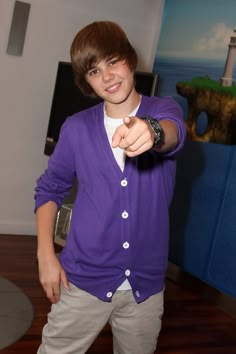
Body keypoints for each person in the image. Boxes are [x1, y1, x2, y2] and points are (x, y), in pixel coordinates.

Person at [34, 21, 186, 354]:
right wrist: (45, 253)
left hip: (144, 288)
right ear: (86, 81)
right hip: (82, 279)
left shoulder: (163, 111)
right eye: (94, 70)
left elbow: (171, 133)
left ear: (130, 59)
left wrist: (153, 133)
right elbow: (50, 188)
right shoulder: (75, 128)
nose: (108, 76)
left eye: (113, 61)